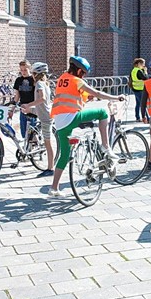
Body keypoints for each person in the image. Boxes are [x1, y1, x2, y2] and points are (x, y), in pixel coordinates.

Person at [49, 56, 124, 197]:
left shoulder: (62, 79)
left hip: (59, 122)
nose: (83, 76)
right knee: (102, 112)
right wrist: (116, 97)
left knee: (64, 156)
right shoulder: (77, 80)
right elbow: (97, 93)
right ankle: (106, 146)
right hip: (70, 118)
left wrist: (87, 99)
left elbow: (72, 98)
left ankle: (54, 188)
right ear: (78, 70)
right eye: (83, 73)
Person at [21, 62, 55, 177]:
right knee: (45, 141)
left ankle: (50, 168)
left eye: (33, 73)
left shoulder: (40, 83)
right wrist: (29, 109)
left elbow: (42, 99)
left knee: (48, 144)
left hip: (46, 117)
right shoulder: (44, 83)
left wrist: (29, 105)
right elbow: (43, 104)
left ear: (36, 74)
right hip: (43, 113)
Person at [11, 60, 36, 139]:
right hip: (23, 108)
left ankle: (33, 146)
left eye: (25, 70)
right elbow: (17, 96)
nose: (23, 72)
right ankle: (27, 147)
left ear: (29, 69)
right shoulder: (18, 80)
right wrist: (12, 109)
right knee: (23, 131)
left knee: (32, 131)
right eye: (21, 70)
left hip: (32, 108)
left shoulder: (33, 80)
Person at [130, 58, 148, 122]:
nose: (143, 65)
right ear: (138, 64)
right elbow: (145, 78)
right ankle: (146, 118)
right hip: (140, 89)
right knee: (143, 104)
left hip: (135, 88)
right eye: (142, 64)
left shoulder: (133, 70)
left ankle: (137, 117)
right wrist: (145, 71)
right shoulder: (139, 71)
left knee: (138, 104)